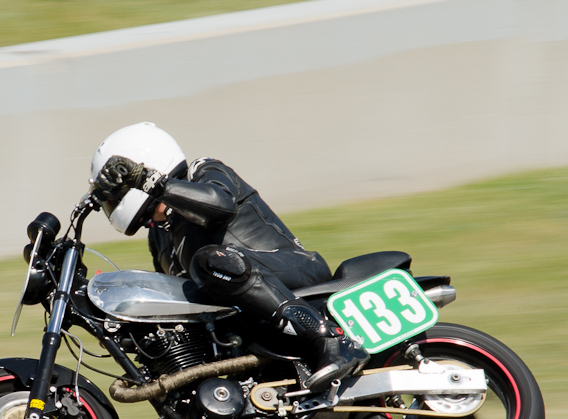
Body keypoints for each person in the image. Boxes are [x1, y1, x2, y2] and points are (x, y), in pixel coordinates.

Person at [89, 122, 368, 392]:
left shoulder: (202, 171)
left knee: (209, 260)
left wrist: (152, 183)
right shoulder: (158, 237)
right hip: (246, 322)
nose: (113, 205)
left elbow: (219, 206)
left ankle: (329, 338)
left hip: (293, 271)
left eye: (118, 190)